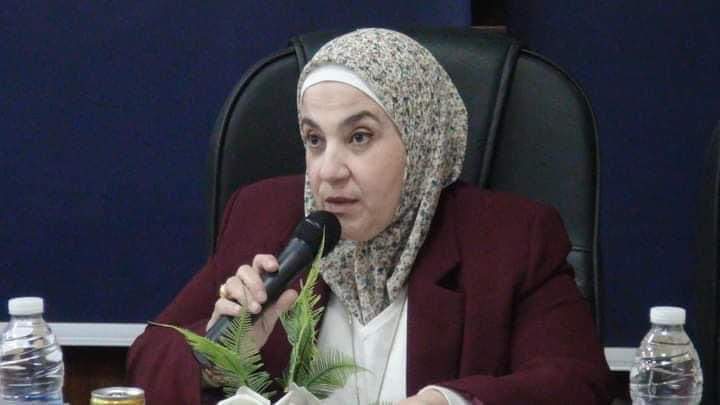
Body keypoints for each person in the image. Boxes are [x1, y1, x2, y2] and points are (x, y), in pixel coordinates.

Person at [127, 28, 613, 404]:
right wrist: (218, 355)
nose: (328, 171)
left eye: (359, 137)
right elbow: (150, 356)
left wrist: (451, 401)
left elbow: (577, 384)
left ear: (421, 143)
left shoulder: (511, 238)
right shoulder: (265, 215)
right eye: (314, 140)